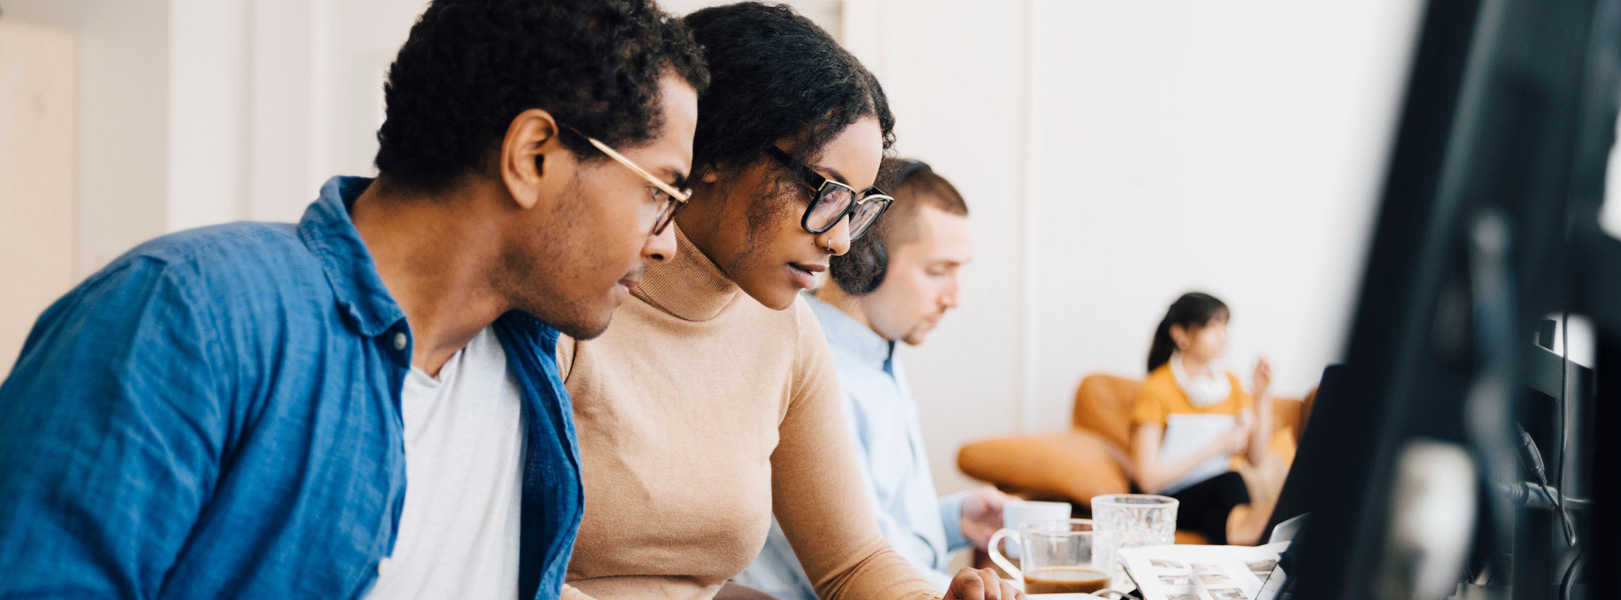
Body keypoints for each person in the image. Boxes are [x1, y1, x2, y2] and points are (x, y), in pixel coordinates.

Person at [0, 1, 705, 597]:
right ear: (533, 156)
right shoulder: (189, 312)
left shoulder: (529, 370)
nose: (666, 244)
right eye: (660, 193)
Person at [555, 5, 1017, 600]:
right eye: (824, 190)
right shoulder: (570, 304)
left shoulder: (788, 332)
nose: (841, 239)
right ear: (715, 151)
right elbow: (499, 565)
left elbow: (853, 561)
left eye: (856, 206)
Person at [736, 159, 1007, 599]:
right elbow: (851, 568)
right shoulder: (810, 364)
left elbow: (876, 528)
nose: (955, 298)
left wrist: (953, 519)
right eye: (938, 271)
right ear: (866, 257)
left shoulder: (878, 354)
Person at [1129, 292, 1276, 546]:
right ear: (1181, 334)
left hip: (1211, 500)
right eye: (1211, 327)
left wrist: (1261, 397)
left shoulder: (1231, 384)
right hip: (1167, 500)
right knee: (1232, 482)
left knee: (1219, 518)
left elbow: (1255, 458)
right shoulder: (1156, 388)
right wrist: (1216, 447)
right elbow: (1147, 480)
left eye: (1225, 326)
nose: (1223, 336)